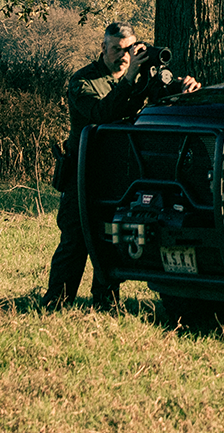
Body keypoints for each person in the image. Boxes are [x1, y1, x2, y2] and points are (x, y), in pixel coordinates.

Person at [42, 22, 200, 309]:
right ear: (103, 47)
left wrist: (185, 86)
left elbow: (164, 93)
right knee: (75, 240)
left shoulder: (141, 75)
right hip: (83, 173)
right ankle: (55, 303)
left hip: (121, 175)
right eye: (116, 49)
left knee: (111, 239)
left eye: (129, 49)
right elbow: (100, 114)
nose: (124, 55)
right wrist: (128, 79)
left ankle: (105, 302)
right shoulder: (84, 81)